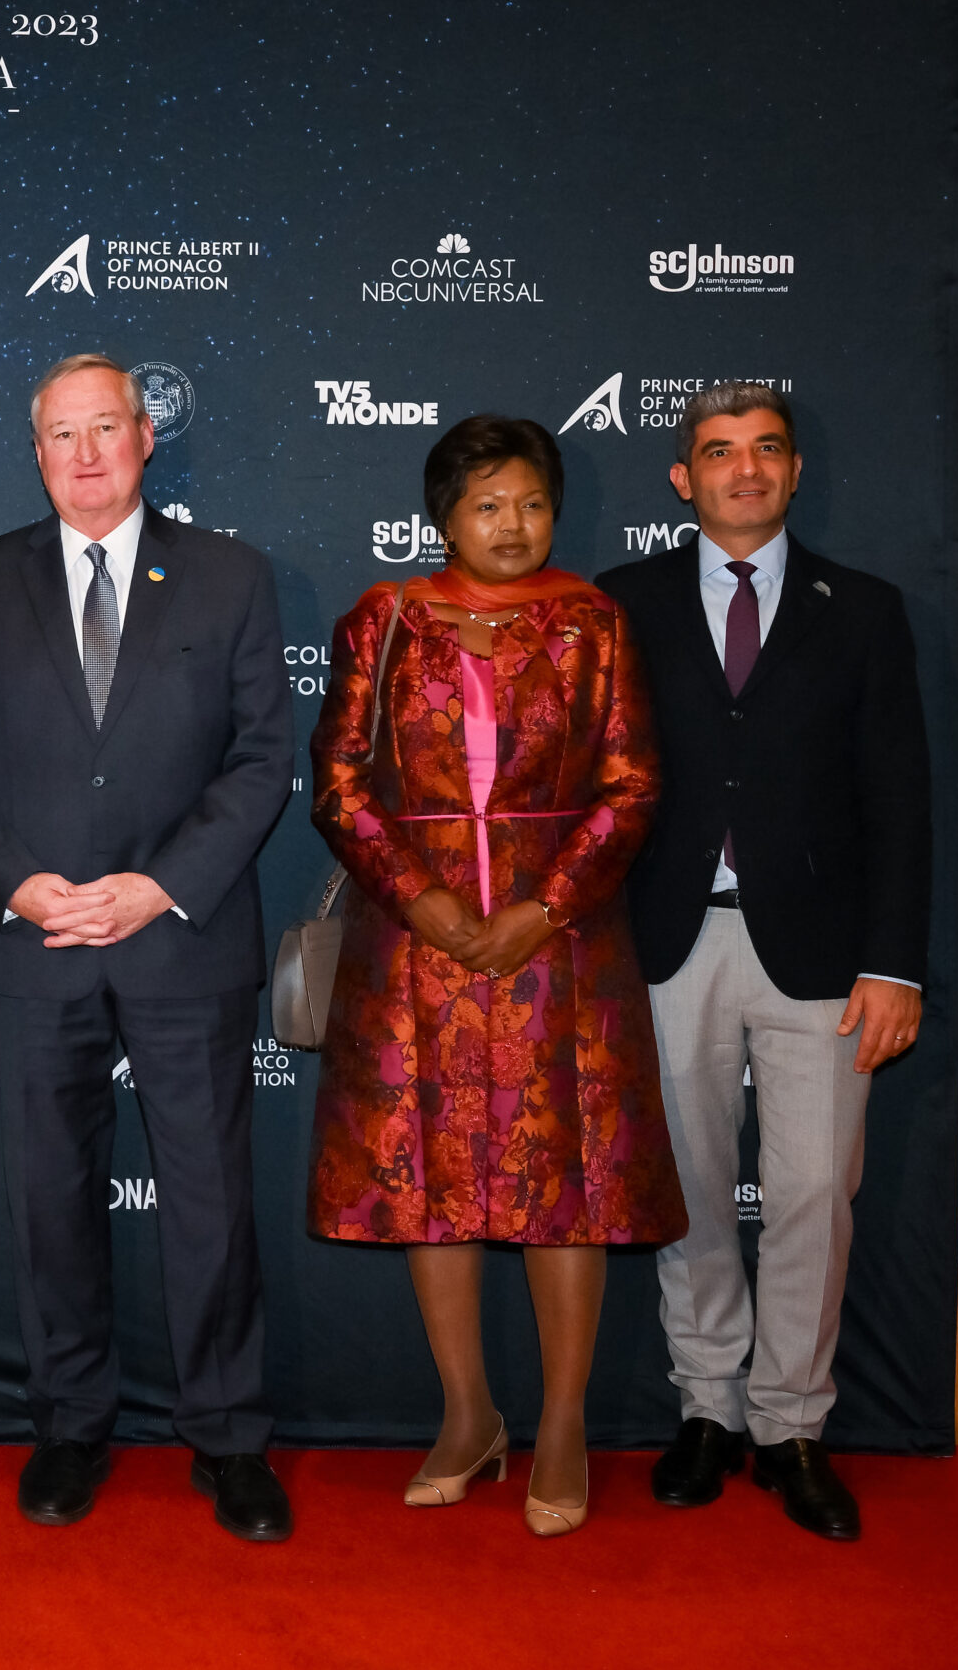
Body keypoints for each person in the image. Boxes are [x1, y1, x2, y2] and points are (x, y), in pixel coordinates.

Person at [0, 354, 296, 1542]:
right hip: (37, 945)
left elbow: (259, 761)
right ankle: (70, 1426)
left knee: (211, 1202)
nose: (84, 454)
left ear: (146, 437)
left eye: (105, 430)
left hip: (180, 941)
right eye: (59, 435)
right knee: (50, 1200)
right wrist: (20, 887)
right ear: (35, 451)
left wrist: (157, 887)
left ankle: (229, 1438)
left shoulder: (231, 577)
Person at [308, 414, 687, 1538]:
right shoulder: (382, 621)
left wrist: (540, 908)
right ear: (442, 518)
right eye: (485, 506)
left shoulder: (593, 623)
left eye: (528, 503)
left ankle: (562, 1426)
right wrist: (418, 899)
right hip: (411, 943)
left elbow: (632, 787)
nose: (510, 526)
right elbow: (335, 782)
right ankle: (467, 1416)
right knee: (432, 1184)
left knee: (563, 1186)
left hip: (560, 947)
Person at [599, 384, 929, 1542]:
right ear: (682, 480)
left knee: (808, 1195)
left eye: (766, 450)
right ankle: (706, 1411)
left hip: (826, 956)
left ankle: (789, 1422)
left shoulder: (865, 610)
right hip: (664, 941)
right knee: (685, 1190)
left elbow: (899, 801)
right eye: (718, 453)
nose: (744, 470)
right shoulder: (619, 603)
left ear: (791, 472)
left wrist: (895, 965)